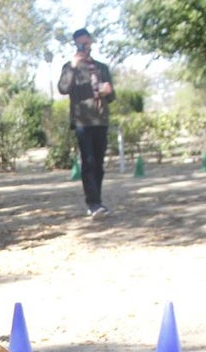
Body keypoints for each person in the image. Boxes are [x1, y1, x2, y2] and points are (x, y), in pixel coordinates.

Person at [58, 28, 116, 217]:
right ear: (76, 44)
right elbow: (63, 88)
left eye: (86, 42)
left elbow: (112, 96)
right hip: (83, 120)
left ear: (91, 42)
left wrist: (109, 91)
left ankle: (97, 201)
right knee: (88, 161)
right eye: (80, 43)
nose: (84, 46)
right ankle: (93, 203)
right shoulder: (69, 66)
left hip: (101, 119)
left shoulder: (102, 68)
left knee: (98, 163)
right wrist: (73, 67)